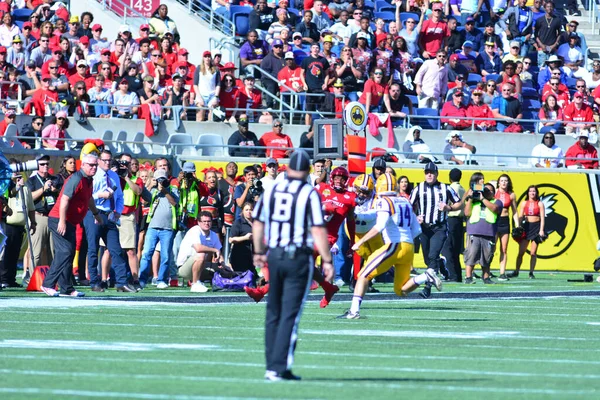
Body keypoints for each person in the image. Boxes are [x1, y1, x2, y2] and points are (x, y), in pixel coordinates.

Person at [252, 149, 333, 381]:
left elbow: (258, 223)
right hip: (298, 256)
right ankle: (279, 367)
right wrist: (327, 260)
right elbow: (318, 228)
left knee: (273, 311)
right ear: (308, 170)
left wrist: (258, 251)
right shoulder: (308, 191)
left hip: (275, 255)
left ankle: (273, 366)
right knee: (290, 314)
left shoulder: (274, 189)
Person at [340, 172, 435, 319]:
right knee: (401, 290)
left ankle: (353, 312)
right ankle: (425, 276)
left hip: (394, 246)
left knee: (363, 275)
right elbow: (417, 230)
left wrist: (360, 241)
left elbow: (379, 226)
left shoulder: (384, 201)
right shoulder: (405, 201)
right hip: (409, 247)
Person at [40, 154, 103, 297]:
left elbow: (89, 198)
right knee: (65, 252)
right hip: (59, 219)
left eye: (95, 165)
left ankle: (67, 288)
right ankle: (47, 284)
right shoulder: (76, 179)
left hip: (70, 221)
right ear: (84, 165)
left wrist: (96, 214)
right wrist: (62, 221)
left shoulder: (88, 180)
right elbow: (64, 200)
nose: (94, 168)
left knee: (68, 254)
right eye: (91, 165)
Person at [84, 150, 135, 293]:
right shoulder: (93, 175)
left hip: (109, 215)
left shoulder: (113, 176)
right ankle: (94, 282)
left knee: (116, 249)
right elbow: (87, 196)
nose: (107, 163)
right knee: (93, 249)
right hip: (94, 213)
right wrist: (100, 195)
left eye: (109, 161)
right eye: (104, 160)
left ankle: (121, 282)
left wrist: (118, 211)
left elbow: (119, 196)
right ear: (99, 161)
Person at [409, 162, 462, 299]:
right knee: (428, 258)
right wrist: (416, 217)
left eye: (432, 172)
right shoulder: (418, 188)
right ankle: (441, 265)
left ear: (437, 174)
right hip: (424, 228)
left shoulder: (445, 188)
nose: (429, 174)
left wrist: (448, 208)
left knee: (432, 255)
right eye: (427, 172)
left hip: (439, 227)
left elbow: (458, 202)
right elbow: (409, 205)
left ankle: (427, 287)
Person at [138, 159, 180, 288]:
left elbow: (175, 203)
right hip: (152, 227)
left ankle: (162, 280)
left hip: (167, 228)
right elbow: (144, 200)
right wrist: (151, 185)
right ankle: (142, 279)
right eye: (159, 179)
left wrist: (165, 190)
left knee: (166, 255)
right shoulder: (153, 190)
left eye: (163, 179)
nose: (161, 182)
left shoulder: (172, 189)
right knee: (146, 254)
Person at [463, 178, 503, 285]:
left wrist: (483, 199)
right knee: (471, 255)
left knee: (487, 257)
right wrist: (471, 198)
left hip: (488, 233)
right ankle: (468, 277)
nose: (487, 192)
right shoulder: (475, 201)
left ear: (494, 193)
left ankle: (486, 277)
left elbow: (495, 209)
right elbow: (466, 213)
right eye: (485, 190)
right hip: (474, 232)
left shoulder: (497, 202)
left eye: (490, 190)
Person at [0, 172, 35, 288]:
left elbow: (30, 207)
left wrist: (33, 222)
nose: (19, 178)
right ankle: (4, 279)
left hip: (20, 226)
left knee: (15, 253)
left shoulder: (25, 189)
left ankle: (11, 279)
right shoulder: (7, 186)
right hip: (8, 224)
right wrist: (17, 186)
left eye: (20, 176)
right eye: (16, 176)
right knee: (6, 253)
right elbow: (11, 193)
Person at [177, 211, 226, 293]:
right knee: (201, 255)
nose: (207, 223)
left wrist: (224, 265)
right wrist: (214, 250)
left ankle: (223, 283)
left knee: (224, 271)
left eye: (209, 221)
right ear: (199, 222)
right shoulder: (194, 230)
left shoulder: (213, 235)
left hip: (201, 267)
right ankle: (195, 284)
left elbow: (219, 254)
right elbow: (198, 248)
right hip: (185, 268)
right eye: (204, 221)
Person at [510, 185, 545, 279]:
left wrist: (541, 230)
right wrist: (518, 226)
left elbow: (542, 218)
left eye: (534, 191)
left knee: (533, 252)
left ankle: (531, 272)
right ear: (528, 193)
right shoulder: (524, 203)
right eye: (530, 191)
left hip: (536, 228)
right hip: (526, 227)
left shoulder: (540, 203)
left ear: (536, 193)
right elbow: (520, 216)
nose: (532, 193)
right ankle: (516, 271)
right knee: (521, 252)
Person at [494, 174, 520, 281]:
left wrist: (517, 225)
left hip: (505, 222)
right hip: (495, 221)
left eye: (506, 181)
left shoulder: (511, 195)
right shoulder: (494, 192)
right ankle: (486, 271)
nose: (504, 183)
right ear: (499, 182)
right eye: (502, 181)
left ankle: (502, 273)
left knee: (504, 249)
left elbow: (514, 211)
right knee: (491, 248)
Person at [441, 168, 465, 283]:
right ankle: (458, 275)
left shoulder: (450, 189)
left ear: (449, 178)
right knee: (456, 249)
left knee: (448, 248)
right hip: (459, 220)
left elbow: (450, 203)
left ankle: (452, 274)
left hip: (451, 218)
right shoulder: (462, 188)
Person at [229, 201, 255, 274]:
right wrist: (245, 238)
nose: (249, 212)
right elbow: (231, 239)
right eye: (246, 210)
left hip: (252, 256)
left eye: (251, 209)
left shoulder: (256, 223)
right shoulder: (239, 222)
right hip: (240, 256)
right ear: (242, 211)